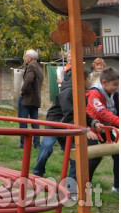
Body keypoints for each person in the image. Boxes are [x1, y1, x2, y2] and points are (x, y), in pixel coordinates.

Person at [33, 66, 102, 197]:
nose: (91, 81)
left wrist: (93, 122)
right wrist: (84, 130)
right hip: (55, 124)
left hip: (67, 126)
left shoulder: (80, 92)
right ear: (82, 79)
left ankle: (70, 190)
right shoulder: (69, 91)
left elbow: (81, 113)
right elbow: (69, 115)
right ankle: (37, 173)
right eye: (89, 78)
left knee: (75, 156)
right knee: (47, 146)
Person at [86, 67, 119, 194]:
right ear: (104, 82)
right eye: (114, 85)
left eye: (118, 85)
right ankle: (84, 185)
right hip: (91, 129)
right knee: (94, 157)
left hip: (105, 129)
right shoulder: (94, 94)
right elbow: (103, 113)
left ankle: (117, 186)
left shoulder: (114, 94)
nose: (116, 87)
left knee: (118, 154)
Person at [19, 49, 44, 148]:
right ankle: (37, 144)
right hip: (36, 99)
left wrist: (22, 91)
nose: (25, 58)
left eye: (26, 56)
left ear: (30, 58)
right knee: (35, 122)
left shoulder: (30, 66)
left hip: (27, 98)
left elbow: (29, 79)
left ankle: (24, 144)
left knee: (23, 121)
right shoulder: (39, 67)